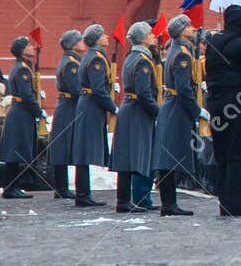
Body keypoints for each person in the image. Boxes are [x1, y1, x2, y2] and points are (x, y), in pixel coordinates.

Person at [204, 4, 241, 218]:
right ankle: (240, 204)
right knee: (240, 153)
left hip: (216, 101)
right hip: (238, 102)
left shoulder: (213, 42)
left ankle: (226, 202)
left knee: (223, 153)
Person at [152, 15, 199, 216]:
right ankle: (169, 204)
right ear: (181, 31)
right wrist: (196, 110)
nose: (193, 28)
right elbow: (184, 87)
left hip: (171, 105)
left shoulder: (176, 50)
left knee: (168, 155)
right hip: (177, 107)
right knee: (170, 156)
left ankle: (169, 202)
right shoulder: (182, 54)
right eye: (188, 26)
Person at [111, 22, 160, 213]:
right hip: (137, 111)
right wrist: (157, 112)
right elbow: (144, 93)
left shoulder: (132, 56)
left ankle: (126, 200)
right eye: (150, 34)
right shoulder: (143, 60)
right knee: (134, 155)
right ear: (143, 38)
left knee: (127, 156)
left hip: (130, 108)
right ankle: (124, 201)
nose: (154, 36)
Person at [49, 29, 99, 206]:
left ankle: (62, 188)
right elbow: (76, 89)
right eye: (79, 40)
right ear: (72, 45)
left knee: (64, 146)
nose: (82, 42)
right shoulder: (71, 63)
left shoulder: (73, 60)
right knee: (65, 146)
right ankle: (62, 189)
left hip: (69, 106)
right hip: (70, 107)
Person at [74, 23, 117, 203]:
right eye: (103, 34)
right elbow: (98, 89)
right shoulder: (97, 59)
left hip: (88, 104)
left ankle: (83, 193)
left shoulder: (91, 56)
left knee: (83, 151)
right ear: (97, 39)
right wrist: (113, 107)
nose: (107, 36)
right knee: (84, 152)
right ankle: (83, 195)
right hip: (91, 105)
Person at [0, 36, 43, 200]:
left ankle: (12, 187)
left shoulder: (22, 66)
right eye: (29, 45)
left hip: (20, 111)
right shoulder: (23, 69)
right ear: (22, 51)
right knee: (15, 152)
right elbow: (26, 95)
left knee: (15, 152)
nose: (32, 47)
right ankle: (11, 188)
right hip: (21, 112)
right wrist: (39, 111)